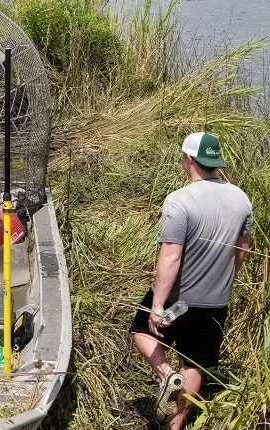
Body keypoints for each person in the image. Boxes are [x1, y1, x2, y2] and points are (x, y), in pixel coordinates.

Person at [129, 132, 252, 429]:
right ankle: (176, 424)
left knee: (141, 332)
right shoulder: (241, 198)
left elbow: (171, 256)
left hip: (179, 299)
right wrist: (225, 281)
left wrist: (158, 305)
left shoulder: (180, 200)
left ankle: (166, 375)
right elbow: (242, 249)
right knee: (194, 362)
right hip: (216, 300)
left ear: (188, 159)